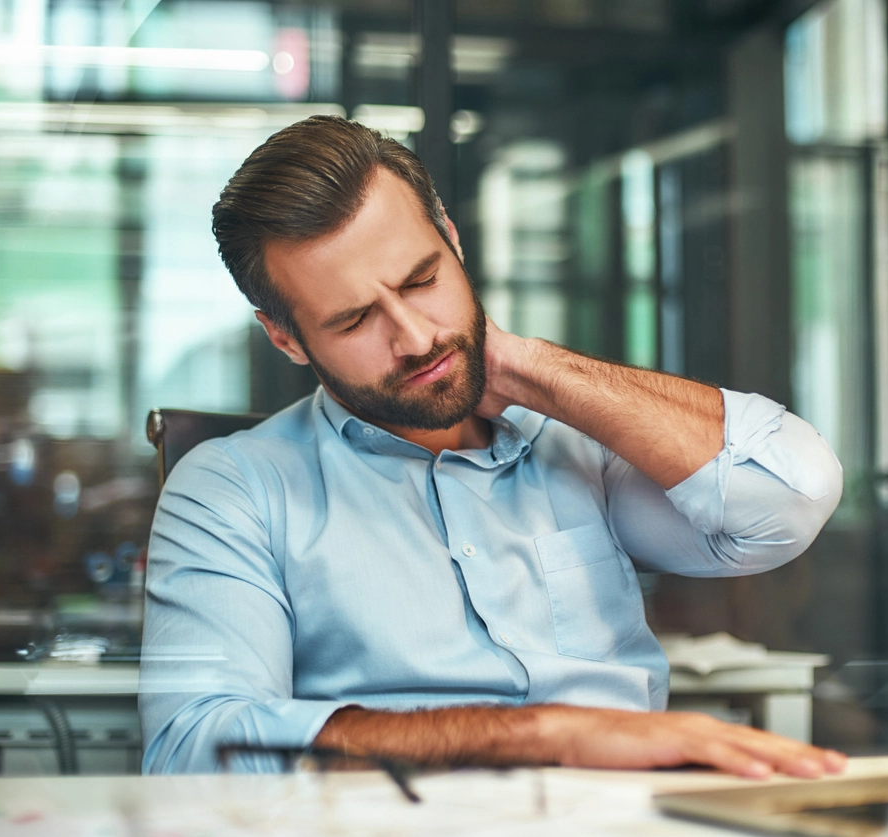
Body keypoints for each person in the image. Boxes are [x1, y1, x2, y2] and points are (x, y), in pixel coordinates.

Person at [140, 115, 846, 778]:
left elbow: (789, 500)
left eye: (423, 280)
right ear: (286, 336)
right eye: (355, 319)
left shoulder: (579, 446)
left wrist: (519, 367)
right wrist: (547, 734)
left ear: (451, 236)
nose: (416, 339)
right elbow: (194, 747)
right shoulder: (234, 486)